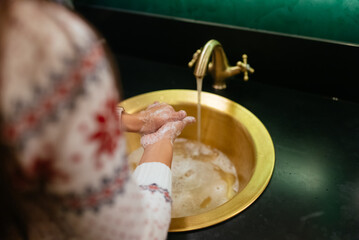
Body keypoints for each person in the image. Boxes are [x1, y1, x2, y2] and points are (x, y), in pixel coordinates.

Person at [0, 0, 195, 239]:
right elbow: (133, 235)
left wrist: (135, 122)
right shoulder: (50, 47)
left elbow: (44, 122)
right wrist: (160, 143)